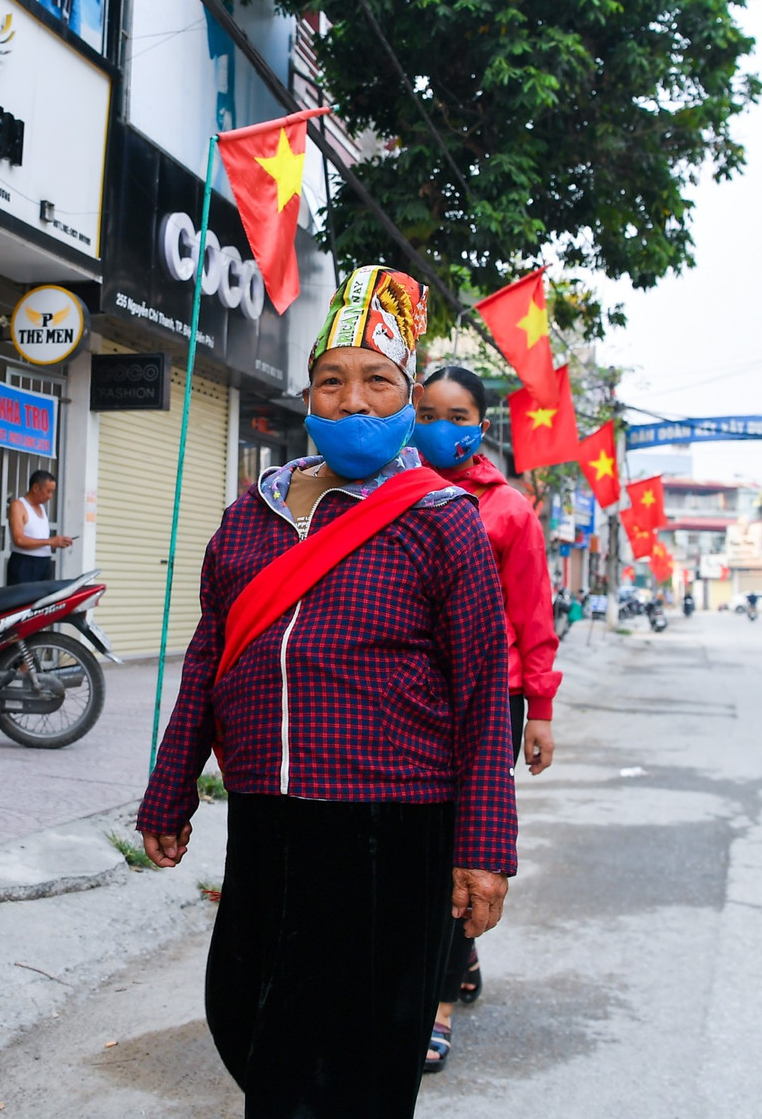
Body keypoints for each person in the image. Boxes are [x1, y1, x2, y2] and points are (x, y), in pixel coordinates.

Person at [137, 265, 516, 1119]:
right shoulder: (252, 512)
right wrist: (171, 788)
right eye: (331, 380)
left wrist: (486, 845)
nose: (352, 400)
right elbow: (209, 655)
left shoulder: (440, 517)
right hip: (269, 816)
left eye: (377, 381)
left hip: (390, 824)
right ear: (307, 394)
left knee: (355, 1063)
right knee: (246, 1020)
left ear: (408, 397)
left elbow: (484, 691)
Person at [412, 366, 559, 1073]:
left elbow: (534, 618)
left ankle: (436, 1007)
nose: (442, 426)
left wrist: (541, 711)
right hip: (407, 699)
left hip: (489, 702)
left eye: (458, 414)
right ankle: (461, 952)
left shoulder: (508, 510)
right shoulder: (389, 492)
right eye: (428, 411)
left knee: (454, 854)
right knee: (416, 853)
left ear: (482, 425)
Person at [6, 469, 74, 585]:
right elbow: (19, 539)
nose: (50, 496)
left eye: (52, 492)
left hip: (44, 562)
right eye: (48, 491)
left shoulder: (41, 508)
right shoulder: (18, 506)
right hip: (25, 562)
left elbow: (39, 537)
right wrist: (50, 541)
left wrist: (57, 542)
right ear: (36, 488)